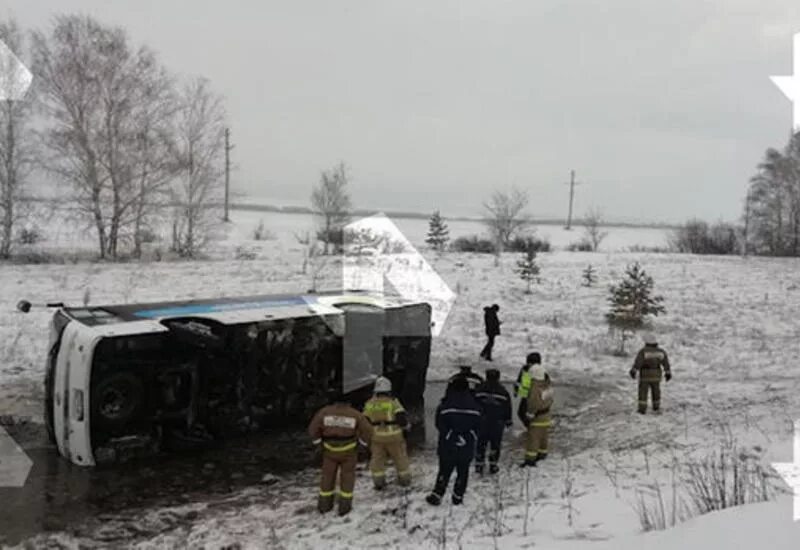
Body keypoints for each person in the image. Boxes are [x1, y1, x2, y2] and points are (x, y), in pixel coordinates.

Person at [308, 391, 373, 516]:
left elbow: (313, 429)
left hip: (329, 452)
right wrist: (362, 445)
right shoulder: (355, 414)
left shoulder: (324, 412)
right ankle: (345, 507)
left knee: (327, 478)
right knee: (347, 478)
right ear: (348, 401)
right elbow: (368, 430)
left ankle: (324, 506)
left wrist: (318, 444)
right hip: (349, 452)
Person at [426, 377, 482, 506]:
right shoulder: (475, 406)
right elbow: (479, 426)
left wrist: (452, 436)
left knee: (444, 470)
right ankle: (458, 496)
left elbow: (439, 424)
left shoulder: (445, 405)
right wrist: (468, 436)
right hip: (467, 445)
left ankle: (438, 494)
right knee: (463, 471)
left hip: (447, 445)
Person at [362, 376, 412, 490]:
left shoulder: (370, 404)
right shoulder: (393, 402)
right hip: (394, 436)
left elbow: (365, 421)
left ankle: (378, 481)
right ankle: (404, 480)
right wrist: (406, 427)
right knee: (400, 458)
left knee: (377, 460)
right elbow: (401, 419)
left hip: (376, 437)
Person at [474, 369, 512, 474]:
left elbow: (474, 404)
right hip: (497, 422)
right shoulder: (503, 392)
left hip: (482, 421)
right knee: (495, 444)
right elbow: (507, 407)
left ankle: (479, 464)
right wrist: (508, 420)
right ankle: (493, 464)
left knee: (481, 443)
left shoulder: (479, 390)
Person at [629, 333, 672, 414]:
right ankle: (656, 407)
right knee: (656, 391)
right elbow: (665, 363)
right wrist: (668, 372)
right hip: (656, 375)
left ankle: (642, 409)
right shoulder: (661, 352)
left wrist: (633, 370)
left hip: (645, 375)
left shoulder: (643, 351)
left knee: (643, 392)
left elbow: (638, 362)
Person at [521, 364, 554, 467]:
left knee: (533, 439)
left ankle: (530, 460)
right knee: (543, 437)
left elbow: (533, 404)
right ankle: (542, 453)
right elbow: (551, 399)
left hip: (537, 418)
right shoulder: (547, 385)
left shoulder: (535, 387)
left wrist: (529, 416)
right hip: (546, 416)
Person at [514, 352, 540, 427]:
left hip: (533, 395)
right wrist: (516, 390)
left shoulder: (538, 371)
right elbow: (519, 380)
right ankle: (530, 426)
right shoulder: (525, 369)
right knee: (521, 413)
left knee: (527, 413)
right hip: (526, 394)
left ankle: (532, 427)